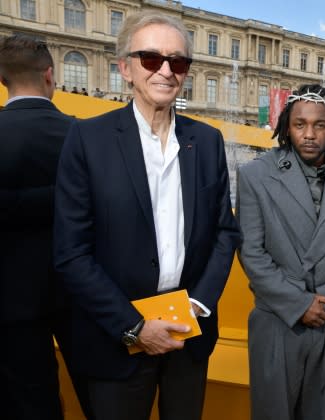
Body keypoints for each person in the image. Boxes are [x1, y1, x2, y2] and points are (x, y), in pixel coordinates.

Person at [54, 10, 241, 420]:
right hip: (116, 340)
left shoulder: (207, 141)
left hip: (188, 336)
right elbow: (71, 252)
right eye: (152, 59)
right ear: (126, 68)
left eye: (178, 61)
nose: (166, 71)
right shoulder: (88, 139)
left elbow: (225, 233)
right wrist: (135, 326)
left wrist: (199, 304)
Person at [236, 84, 325, 420]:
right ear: (287, 126)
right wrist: (298, 303)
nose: (309, 134)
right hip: (278, 319)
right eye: (300, 125)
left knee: (321, 413)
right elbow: (250, 251)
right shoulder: (255, 175)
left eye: (319, 125)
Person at [0, 33, 75, 420]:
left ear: (3, 80)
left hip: (11, 299)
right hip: (81, 292)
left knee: (32, 401)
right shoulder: (83, 134)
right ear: (50, 75)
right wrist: (64, 194)